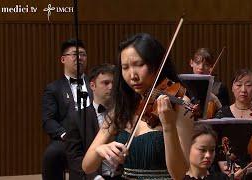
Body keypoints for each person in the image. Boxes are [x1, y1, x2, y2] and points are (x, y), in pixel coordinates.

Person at [82, 33, 193, 179]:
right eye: (125, 67)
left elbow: (178, 174)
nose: (132, 75)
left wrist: (168, 125)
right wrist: (99, 150)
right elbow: (87, 166)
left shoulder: (179, 103)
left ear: (157, 65)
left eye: (139, 65)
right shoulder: (124, 106)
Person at [42, 39, 92, 180]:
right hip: (67, 138)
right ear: (63, 59)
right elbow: (48, 120)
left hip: (94, 135)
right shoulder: (53, 88)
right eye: (75, 54)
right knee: (52, 154)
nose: (80, 58)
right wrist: (64, 135)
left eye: (83, 54)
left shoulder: (95, 83)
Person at [65, 64, 116, 180]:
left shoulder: (124, 115)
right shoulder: (76, 118)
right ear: (92, 85)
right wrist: (95, 177)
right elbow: (74, 158)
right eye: (106, 83)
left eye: (113, 83)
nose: (111, 87)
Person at [189, 48, 230, 118]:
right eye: (197, 63)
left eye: (206, 65)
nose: (201, 67)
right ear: (191, 63)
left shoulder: (220, 87)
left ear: (211, 67)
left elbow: (225, 114)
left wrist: (214, 99)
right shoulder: (185, 85)